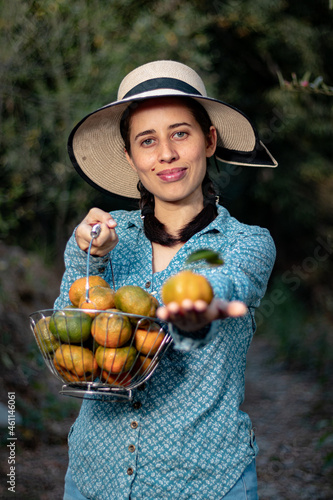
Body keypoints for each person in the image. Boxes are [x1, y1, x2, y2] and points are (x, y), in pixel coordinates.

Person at [56, 60, 277, 499]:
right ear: (130, 156)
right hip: (93, 478)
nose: (166, 155)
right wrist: (90, 261)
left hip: (207, 482)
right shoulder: (102, 237)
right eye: (147, 141)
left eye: (181, 133)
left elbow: (224, 286)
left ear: (209, 140)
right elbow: (69, 340)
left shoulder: (247, 243)